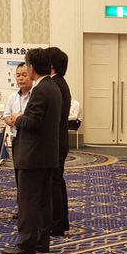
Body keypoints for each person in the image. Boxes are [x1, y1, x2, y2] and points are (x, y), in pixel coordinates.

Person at [2, 48, 61, 254]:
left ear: (32, 67)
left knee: (28, 202)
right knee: (44, 201)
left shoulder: (40, 90)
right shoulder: (53, 87)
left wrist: (18, 118)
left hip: (33, 156)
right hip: (46, 154)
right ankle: (41, 241)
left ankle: (27, 243)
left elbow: (34, 122)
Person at [47, 47, 72, 237]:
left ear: (51, 65)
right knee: (57, 181)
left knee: (54, 182)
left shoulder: (54, 85)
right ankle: (60, 221)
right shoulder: (61, 83)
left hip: (54, 142)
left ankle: (56, 223)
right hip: (59, 140)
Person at [4, 63, 33, 218]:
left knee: (30, 176)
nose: (20, 78)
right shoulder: (12, 97)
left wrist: (20, 120)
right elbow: (6, 116)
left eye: (24, 75)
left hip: (31, 141)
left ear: (31, 76)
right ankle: (21, 208)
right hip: (16, 139)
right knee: (18, 174)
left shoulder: (36, 95)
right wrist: (13, 122)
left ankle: (31, 209)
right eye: (18, 75)